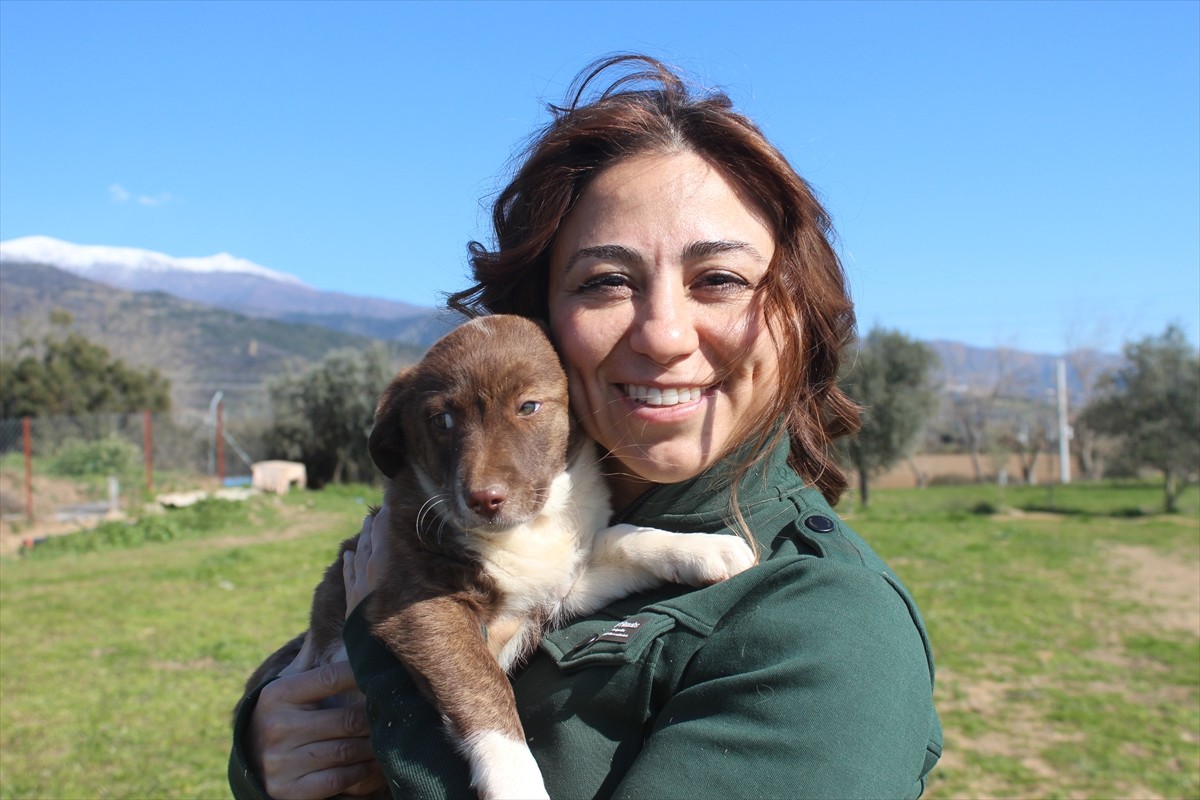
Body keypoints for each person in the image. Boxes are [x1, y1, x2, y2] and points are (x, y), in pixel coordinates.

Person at [230, 54, 942, 800]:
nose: (664, 335)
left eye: (720, 280)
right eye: (606, 281)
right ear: (542, 318)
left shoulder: (828, 629)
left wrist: (386, 687)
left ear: (799, 312)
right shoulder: (546, 519)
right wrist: (265, 750)